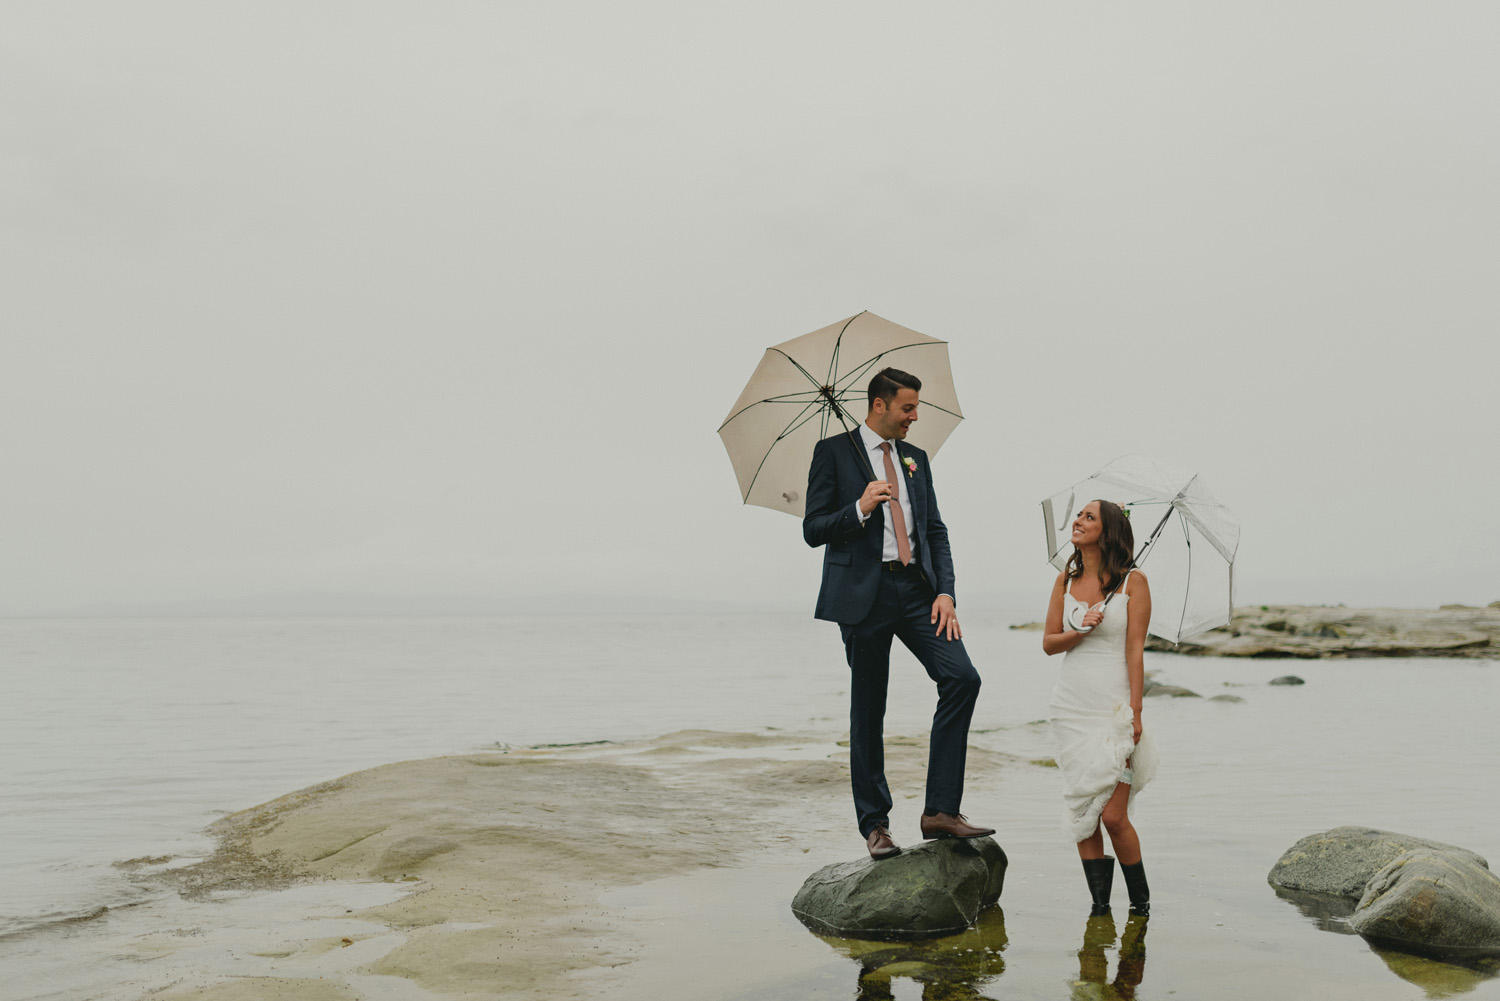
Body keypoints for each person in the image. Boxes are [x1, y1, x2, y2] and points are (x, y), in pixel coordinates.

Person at [803, 366, 994, 860]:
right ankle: (875, 826)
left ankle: (940, 812)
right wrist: (860, 507)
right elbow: (813, 527)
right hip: (862, 598)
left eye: (916, 407)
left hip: (918, 591)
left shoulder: (915, 459)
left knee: (962, 678)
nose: (914, 416)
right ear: (879, 404)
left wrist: (946, 592)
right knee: (869, 710)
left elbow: (934, 530)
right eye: (907, 407)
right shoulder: (831, 453)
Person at [1043, 499, 1158, 915]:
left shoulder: (1134, 583)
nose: (1078, 521)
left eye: (1088, 517)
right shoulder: (1064, 581)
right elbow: (1049, 644)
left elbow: (1135, 652)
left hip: (1113, 710)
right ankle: (1099, 909)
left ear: (1107, 530)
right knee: (1082, 810)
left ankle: (1141, 906)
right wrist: (1080, 628)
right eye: (1078, 515)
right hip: (1070, 707)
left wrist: (1136, 712)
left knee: (1112, 815)